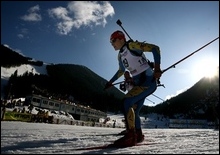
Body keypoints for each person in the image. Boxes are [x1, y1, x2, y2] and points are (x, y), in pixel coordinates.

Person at [104, 30, 162, 147]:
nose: (112, 44)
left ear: (121, 39)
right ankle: (138, 135)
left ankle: (130, 136)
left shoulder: (132, 46)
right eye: (110, 42)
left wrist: (157, 69)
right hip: (139, 85)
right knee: (134, 111)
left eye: (113, 40)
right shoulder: (120, 55)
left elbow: (155, 49)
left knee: (126, 102)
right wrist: (111, 82)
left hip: (148, 82)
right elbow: (121, 71)